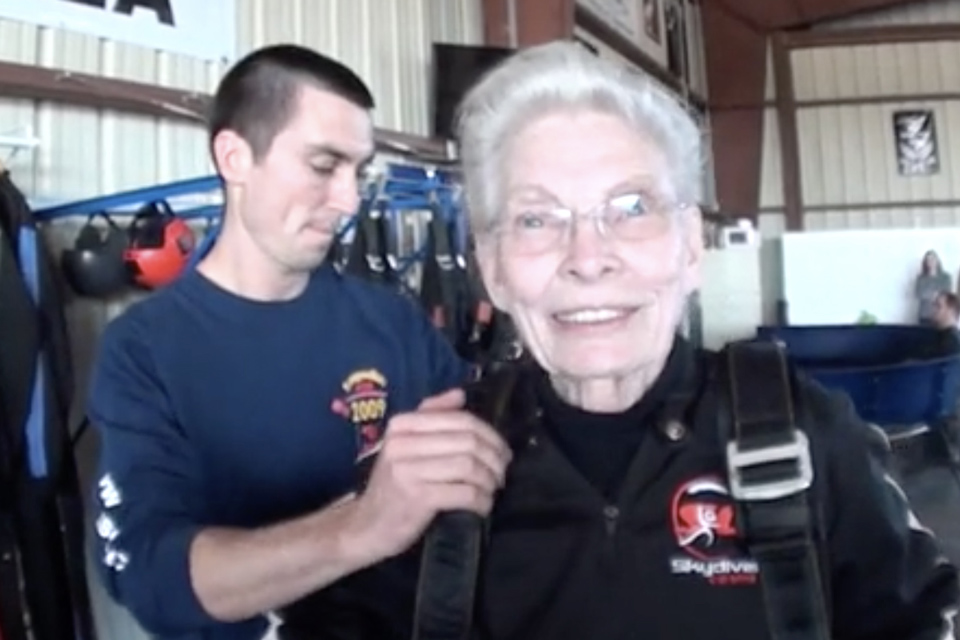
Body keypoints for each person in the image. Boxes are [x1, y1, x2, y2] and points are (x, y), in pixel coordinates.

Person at [86, 44, 511, 640]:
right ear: (235, 157)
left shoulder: (393, 324)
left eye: (357, 171)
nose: (350, 200)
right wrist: (364, 526)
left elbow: (487, 463)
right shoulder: (145, 350)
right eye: (323, 165)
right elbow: (152, 575)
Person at [916, 249, 952, 325]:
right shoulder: (921, 278)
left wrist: (933, 294)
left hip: (940, 315)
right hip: (924, 315)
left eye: (932, 259)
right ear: (925, 263)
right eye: (928, 260)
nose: (930, 262)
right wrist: (936, 294)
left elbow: (947, 293)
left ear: (937, 261)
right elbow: (919, 293)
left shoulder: (945, 277)